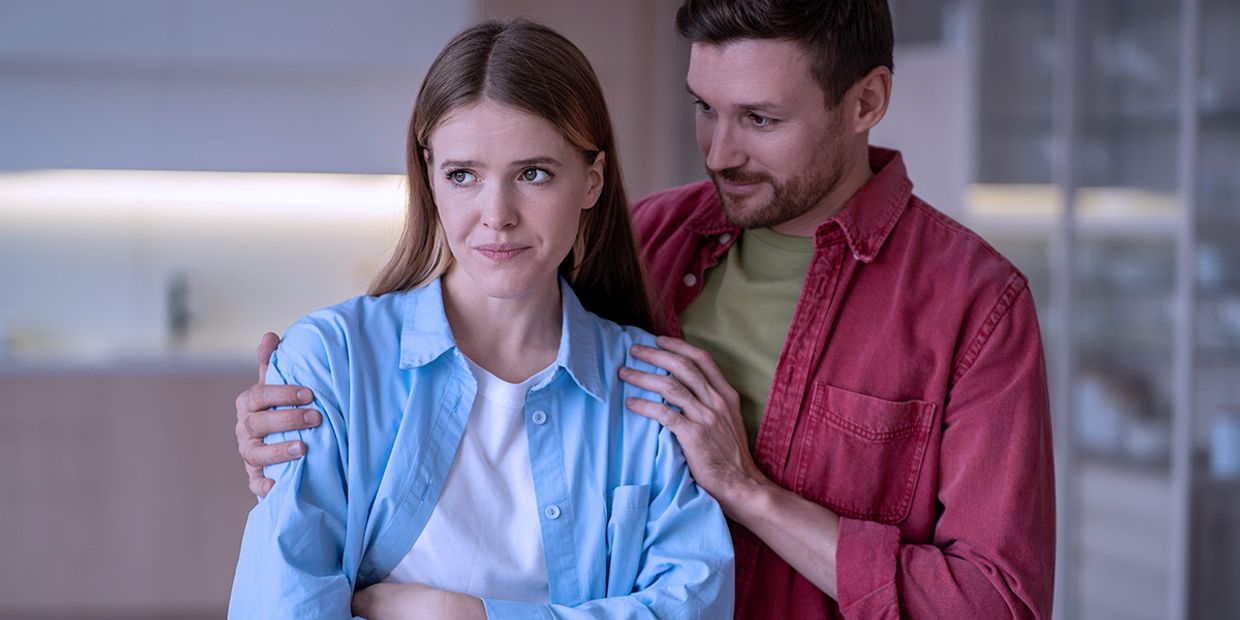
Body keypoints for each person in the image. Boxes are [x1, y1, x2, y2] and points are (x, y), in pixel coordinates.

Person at [236, 1, 1055, 618]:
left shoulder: (973, 307)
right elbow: (491, 349)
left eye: (760, 119)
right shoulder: (649, 239)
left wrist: (748, 491)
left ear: (867, 100)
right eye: (705, 107)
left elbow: (998, 602)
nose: (720, 151)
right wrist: (306, 430)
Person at [228, 19, 734, 620]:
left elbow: (692, 607)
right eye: (463, 174)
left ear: (591, 181)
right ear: (431, 178)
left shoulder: (649, 387)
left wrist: (463, 614)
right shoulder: (330, 362)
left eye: (533, 174)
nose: (497, 216)